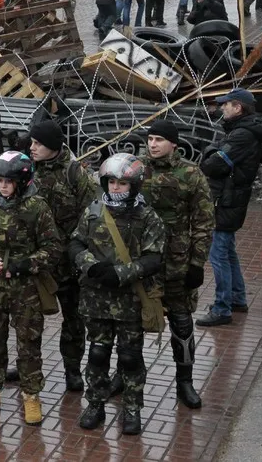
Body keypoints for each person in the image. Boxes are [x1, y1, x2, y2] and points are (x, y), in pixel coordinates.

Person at [70, 153, 166, 436]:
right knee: (98, 353)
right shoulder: (94, 211)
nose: (115, 188)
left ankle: (132, 407)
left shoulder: (146, 216)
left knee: (129, 357)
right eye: (111, 182)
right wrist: (93, 267)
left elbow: (154, 258)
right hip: (96, 298)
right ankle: (95, 403)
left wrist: (121, 274)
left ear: (134, 186)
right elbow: (75, 244)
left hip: (130, 300)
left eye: (121, 184)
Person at [0, 151, 59, 425]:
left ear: (23, 181)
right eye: (0, 180)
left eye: (9, 181)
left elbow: (53, 249)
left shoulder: (37, 208)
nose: (3, 185)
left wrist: (24, 264)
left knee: (29, 345)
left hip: (26, 290)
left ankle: (31, 396)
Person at [125, 120, 214, 408]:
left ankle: (184, 382)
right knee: (131, 324)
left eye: (159, 139)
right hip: (141, 261)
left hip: (176, 262)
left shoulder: (190, 174)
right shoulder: (135, 169)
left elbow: (203, 221)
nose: (152, 144)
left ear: (173, 144)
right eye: (150, 138)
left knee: (181, 324)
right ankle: (124, 376)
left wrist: (197, 263)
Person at [21, 119, 98, 392]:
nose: (32, 148)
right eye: (31, 142)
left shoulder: (75, 173)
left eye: (37, 143)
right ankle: (27, 366)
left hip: (67, 260)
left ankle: (72, 369)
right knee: (28, 317)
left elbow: (95, 213)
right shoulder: (27, 168)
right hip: (36, 257)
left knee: (74, 318)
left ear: (53, 146)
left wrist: (81, 249)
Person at [197, 89, 262, 328]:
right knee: (228, 252)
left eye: (225, 105)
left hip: (226, 200)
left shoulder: (241, 136)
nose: (221, 108)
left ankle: (222, 308)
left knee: (218, 255)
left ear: (238, 107)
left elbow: (213, 165)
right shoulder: (243, 131)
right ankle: (237, 299)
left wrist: (209, 154)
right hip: (231, 198)